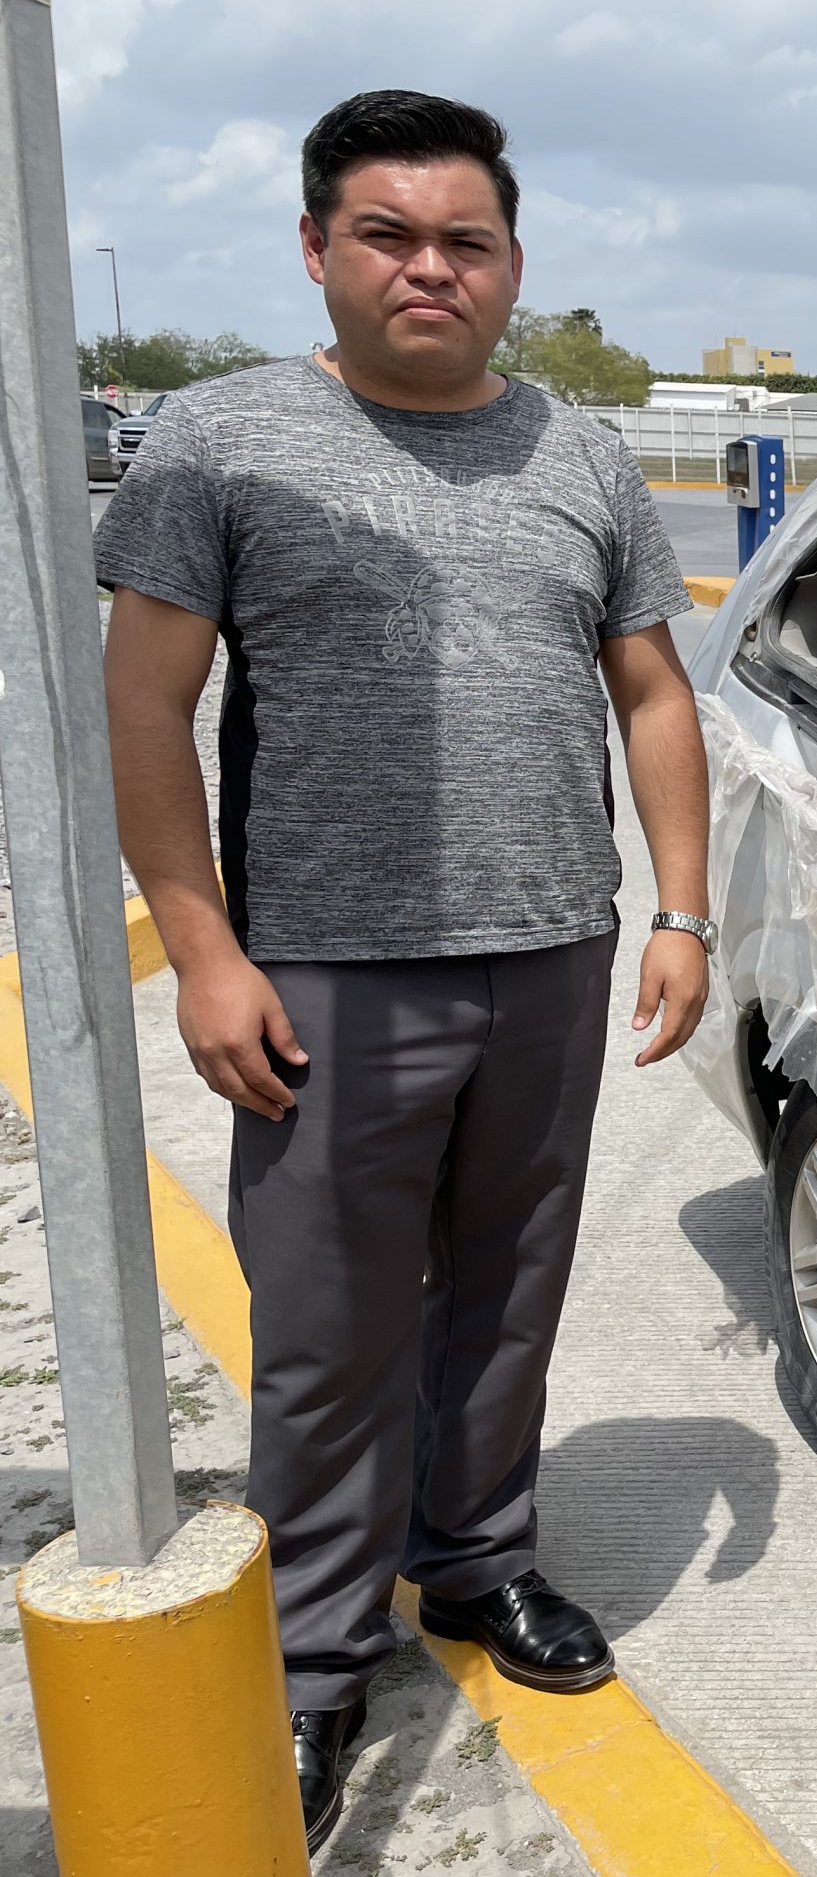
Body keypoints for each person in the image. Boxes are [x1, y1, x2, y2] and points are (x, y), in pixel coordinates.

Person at [97, 89, 714, 1851]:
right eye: (388, 234)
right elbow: (149, 705)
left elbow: (653, 692)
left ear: (513, 263)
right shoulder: (222, 443)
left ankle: (475, 1566)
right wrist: (204, 950)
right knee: (329, 1333)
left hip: (554, 949)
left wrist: (678, 911)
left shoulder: (581, 455)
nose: (428, 267)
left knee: (508, 1290)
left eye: (465, 240)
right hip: (326, 967)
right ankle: (311, 1659)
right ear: (317, 249)